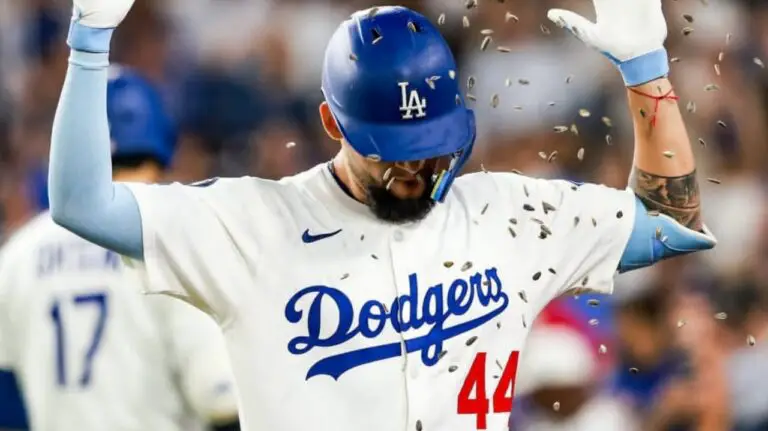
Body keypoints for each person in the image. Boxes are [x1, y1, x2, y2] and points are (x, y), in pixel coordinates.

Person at [47, 0, 716, 430]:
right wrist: (89, 44)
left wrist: (645, 71)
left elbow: (668, 220)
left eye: (428, 150)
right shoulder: (253, 222)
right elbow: (82, 204)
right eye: (392, 152)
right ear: (329, 123)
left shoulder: (507, 212)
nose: (413, 171)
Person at [0, 66, 241, 431]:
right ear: (161, 146)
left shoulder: (18, 254)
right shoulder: (170, 240)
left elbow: (7, 402)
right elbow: (220, 401)